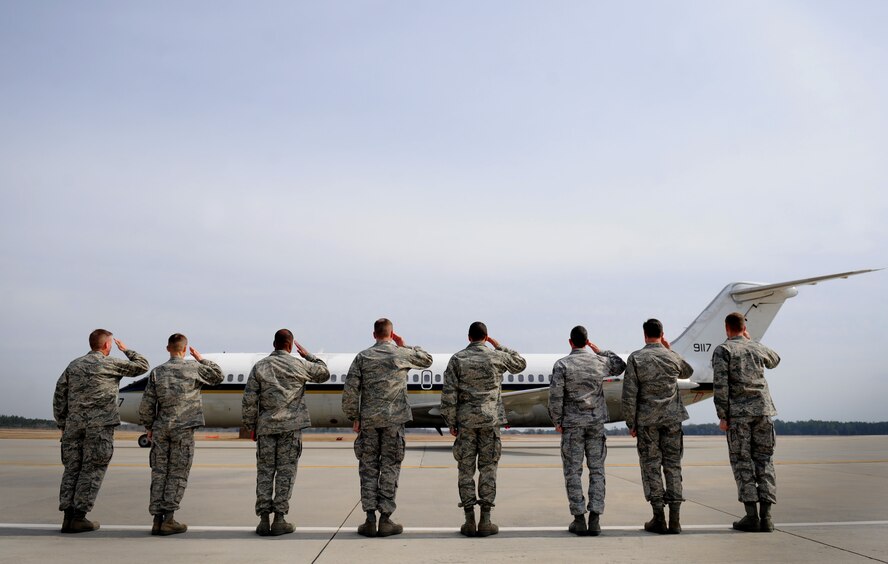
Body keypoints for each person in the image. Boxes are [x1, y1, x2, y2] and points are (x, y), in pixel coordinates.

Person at [342, 319, 433, 537]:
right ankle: (386, 519)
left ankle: (370, 520)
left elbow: (351, 390)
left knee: (368, 468)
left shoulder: (362, 357)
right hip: (394, 421)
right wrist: (404, 345)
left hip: (369, 422)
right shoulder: (401, 354)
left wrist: (354, 416)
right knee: (390, 467)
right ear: (391, 334)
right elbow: (427, 359)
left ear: (374, 334)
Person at [53, 329, 149, 533]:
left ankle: (67, 517)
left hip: (73, 427)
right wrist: (127, 350)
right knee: (92, 469)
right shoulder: (111, 363)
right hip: (99, 428)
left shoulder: (74, 365)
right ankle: (79, 517)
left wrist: (63, 424)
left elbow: (59, 395)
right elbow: (143, 366)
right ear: (106, 345)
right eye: (112, 345)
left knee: (72, 469)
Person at [440, 321, 527, 537]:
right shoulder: (496, 357)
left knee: (465, 470)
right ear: (486, 337)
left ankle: (469, 521)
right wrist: (499, 347)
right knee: (488, 469)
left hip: (466, 423)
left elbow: (448, 394)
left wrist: (451, 422)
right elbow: (520, 363)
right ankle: (486, 521)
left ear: (469, 337)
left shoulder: (458, 359)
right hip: (490, 422)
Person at [242, 329, 330, 536]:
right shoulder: (299, 364)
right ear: (290, 346)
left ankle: (264, 520)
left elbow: (249, 400)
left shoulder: (260, 366)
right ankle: (280, 519)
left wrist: (251, 426)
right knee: (285, 473)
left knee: (264, 473)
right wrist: (308, 355)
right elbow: (323, 373)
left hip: (265, 427)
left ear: (274, 344)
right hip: (290, 428)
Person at [138, 333, 223, 535]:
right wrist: (201, 358)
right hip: (183, 429)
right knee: (177, 473)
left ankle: (156, 520)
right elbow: (217, 375)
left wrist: (149, 426)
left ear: (168, 348)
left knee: (159, 473)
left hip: (161, 428)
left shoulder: (157, 372)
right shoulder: (194, 369)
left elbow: (147, 405)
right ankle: (168, 519)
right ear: (185, 349)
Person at [548, 325, 626, 536]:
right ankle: (595, 519)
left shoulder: (562, 364)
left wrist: (557, 420)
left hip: (572, 425)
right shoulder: (599, 361)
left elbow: (555, 396)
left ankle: (579, 519)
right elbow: (620, 365)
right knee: (597, 470)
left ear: (570, 342)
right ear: (587, 341)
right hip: (595, 423)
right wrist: (599, 350)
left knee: (573, 471)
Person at [621, 319, 693, 534]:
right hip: (672, 421)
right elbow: (687, 372)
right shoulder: (671, 356)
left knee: (651, 466)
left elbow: (629, 394)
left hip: (647, 421)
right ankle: (676, 520)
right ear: (662, 334)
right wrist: (670, 350)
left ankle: (658, 518)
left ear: (645, 335)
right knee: (673, 466)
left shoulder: (636, 358)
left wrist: (630, 422)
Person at [712, 312, 781, 533]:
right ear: (744, 327)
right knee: (764, 461)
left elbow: (720, 386)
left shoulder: (724, 350)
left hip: (739, 415)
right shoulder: (756, 347)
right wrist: (752, 342)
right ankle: (767, 517)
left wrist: (723, 416)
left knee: (743, 462)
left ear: (727, 327)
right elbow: (775, 359)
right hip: (763, 412)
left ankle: (752, 516)